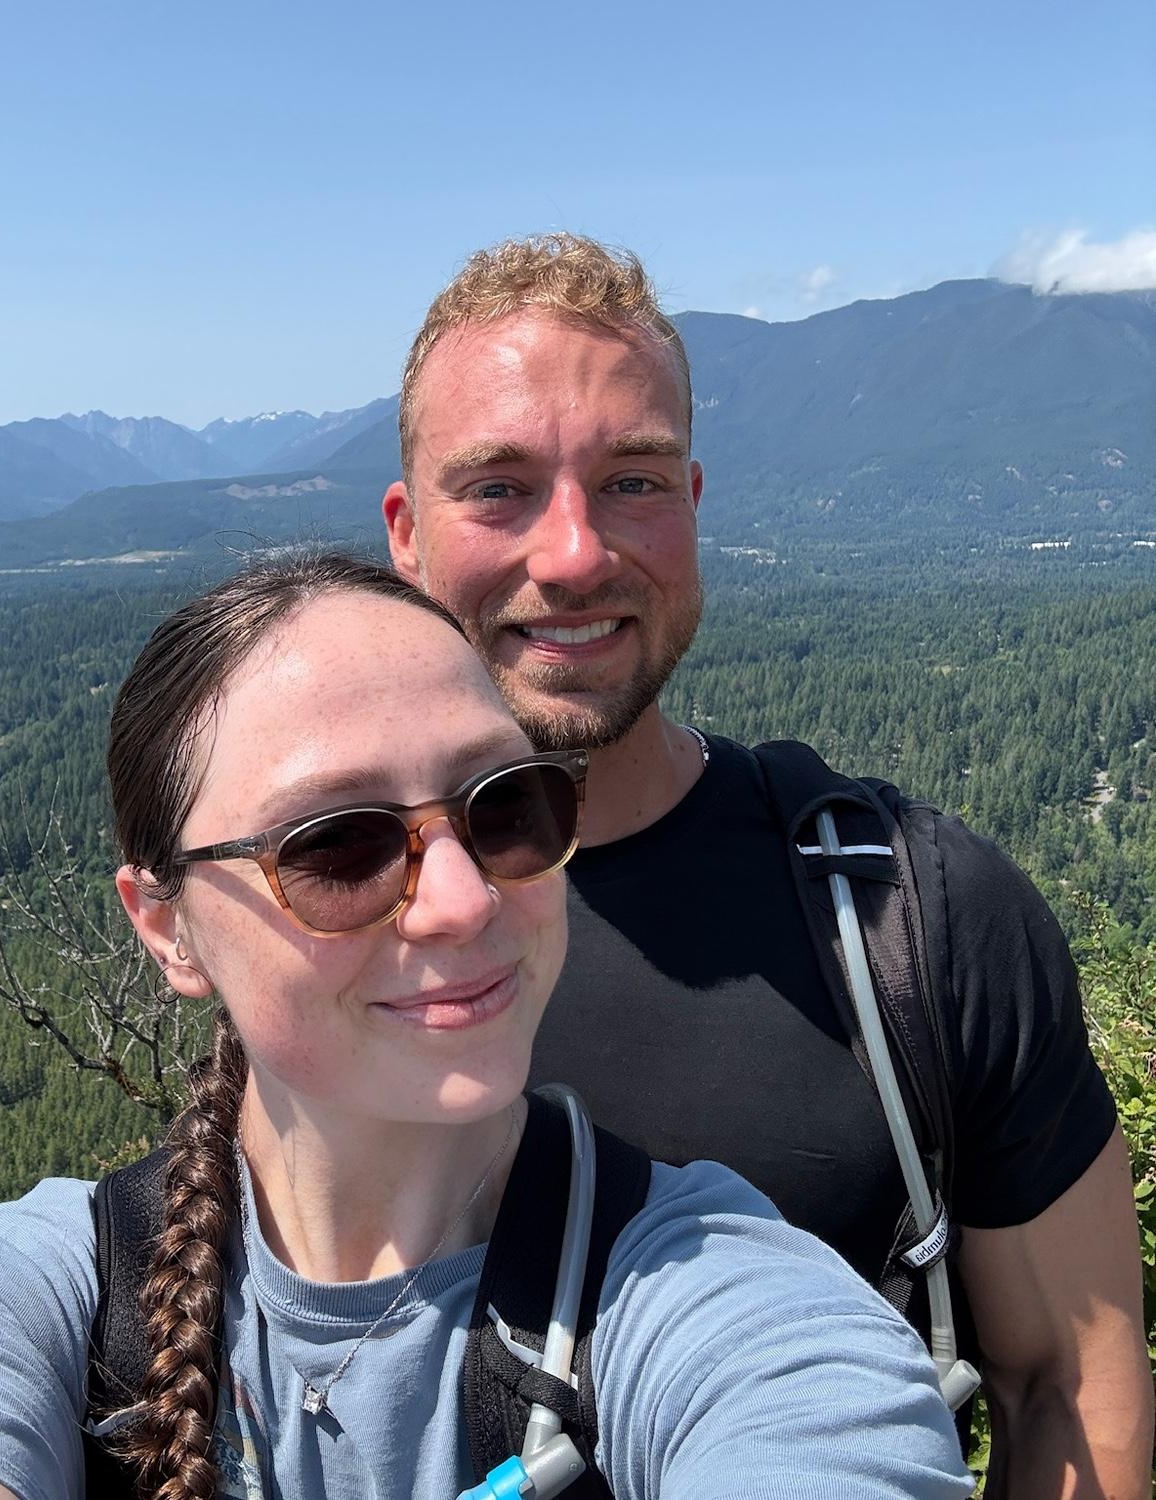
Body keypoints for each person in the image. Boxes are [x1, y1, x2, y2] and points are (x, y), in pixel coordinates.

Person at [0, 551, 973, 1500]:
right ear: (166, 926)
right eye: (339, 847)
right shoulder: (14, 1303)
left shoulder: (719, 1298)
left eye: (509, 807)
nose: (463, 899)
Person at [381, 234, 1153, 1495]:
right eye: (501, 488)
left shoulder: (916, 915)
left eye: (630, 482)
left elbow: (1067, 1380)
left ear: (692, 506)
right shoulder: (318, 915)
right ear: (407, 534)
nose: (574, 553)